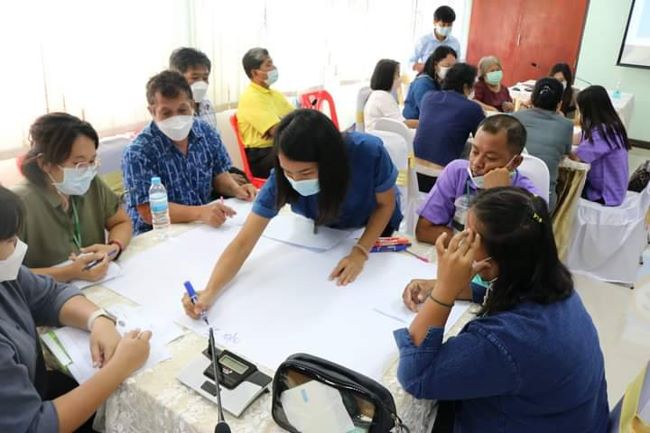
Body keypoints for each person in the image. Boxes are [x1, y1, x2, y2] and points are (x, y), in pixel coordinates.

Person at [397, 187, 609, 432]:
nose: (463, 241)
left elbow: (415, 377)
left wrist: (445, 290)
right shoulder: (552, 285)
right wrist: (445, 285)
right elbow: (497, 289)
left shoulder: (506, 340)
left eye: (471, 237)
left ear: (491, 264)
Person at [182, 109, 403, 318]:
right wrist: (210, 291)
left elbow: (385, 205)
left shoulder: (367, 152)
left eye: (306, 172)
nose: (296, 180)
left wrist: (361, 251)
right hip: (327, 233)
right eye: (288, 171)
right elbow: (243, 242)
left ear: (330, 161)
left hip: (372, 226)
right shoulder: (279, 181)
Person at [0, 186, 152, 433]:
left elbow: (49, 295)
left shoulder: (6, 275)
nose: (19, 247)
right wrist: (119, 367)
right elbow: (35, 426)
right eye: (10, 241)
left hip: (36, 394)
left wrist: (98, 319)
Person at [122, 70, 256, 234]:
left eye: (182, 110)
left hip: (202, 224)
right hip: (158, 233)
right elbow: (148, 211)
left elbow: (218, 174)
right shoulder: (138, 152)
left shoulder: (205, 131)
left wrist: (236, 190)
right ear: (151, 111)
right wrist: (200, 213)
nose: (176, 118)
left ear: (192, 105)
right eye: (166, 113)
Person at [13, 113, 132, 283]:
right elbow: (7, 275)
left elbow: (121, 222)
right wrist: (69, 272)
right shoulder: (18, 203)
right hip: (43, 299)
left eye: (92, 161)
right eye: (79, 164)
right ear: (44, 163)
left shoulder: (90, 183)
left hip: (99, 285)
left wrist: (113, 248)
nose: (89, 170)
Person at [415, 114, 540, 245]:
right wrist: (476, 245)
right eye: (474, 151)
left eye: (490, 158)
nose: (477, 163)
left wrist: (499, 197)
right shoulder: (456, 172)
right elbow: (423, 230)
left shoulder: (529, 196)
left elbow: (524, 249)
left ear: (515, 163)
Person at [169, 47, 250, 186]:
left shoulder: (206, 104)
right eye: (194, 78)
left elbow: (214, 146)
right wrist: (217, 179)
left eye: (205, 78)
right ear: (177, 78)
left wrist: (224, 173)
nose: (201, 83)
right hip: (189, 174)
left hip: (211, 168)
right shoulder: (171, 112)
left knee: (242, 180)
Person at [413, 63, 485, 192]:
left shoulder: (428, 97)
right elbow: (482, 141)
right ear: (465, 86)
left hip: (414, 171)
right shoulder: (472, 108)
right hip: (442, 176)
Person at [513, 78, 573, 211]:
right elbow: (566, 152)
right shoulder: (566, 125)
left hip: (511, 192)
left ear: (531, 98)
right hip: (543, 202)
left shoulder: (515, 117)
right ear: (559, 104)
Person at [237, 47, 295, 179]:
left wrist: (282, 125)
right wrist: (281, 126)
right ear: (255, 72)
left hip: (277, 147)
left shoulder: (275, 94)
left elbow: (297, 120)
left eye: (272, 63)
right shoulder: (251, 97)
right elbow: (278, 131)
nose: (274, 67)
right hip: (261, 156)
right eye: (268, 65)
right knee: (307, 152)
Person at [573, 85, 630, 206]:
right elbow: (579, 139)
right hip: (615, 188)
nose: (579, 113)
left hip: (606, 194)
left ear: (589, 110)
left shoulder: (605, 132)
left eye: (580, 109)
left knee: (564, 190)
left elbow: (578, 157)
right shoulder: (611, 125)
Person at [403, 46, 457, 120]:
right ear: (435, 65)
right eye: (447, 65)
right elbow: (429, 112)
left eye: (453, 67)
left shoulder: (440, 81)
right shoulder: (423, 83)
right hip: (415, 125)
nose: (451, 70)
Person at [364, 59, 417, 130]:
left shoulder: (378, 95)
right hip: (384, 138)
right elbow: (402, 123)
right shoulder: (382, 97)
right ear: (388, 77)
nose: (400, 78)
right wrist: (426, 123)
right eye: (397, 74)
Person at [410, 6, 461, 73]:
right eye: (443, 25)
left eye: (449, 25)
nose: (446, 27)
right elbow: (410, 61)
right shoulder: (423, 41)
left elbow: (458, 63)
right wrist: (421, 67)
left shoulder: (455, 43)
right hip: (427, 76)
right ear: (434, 22)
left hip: (447, 80)